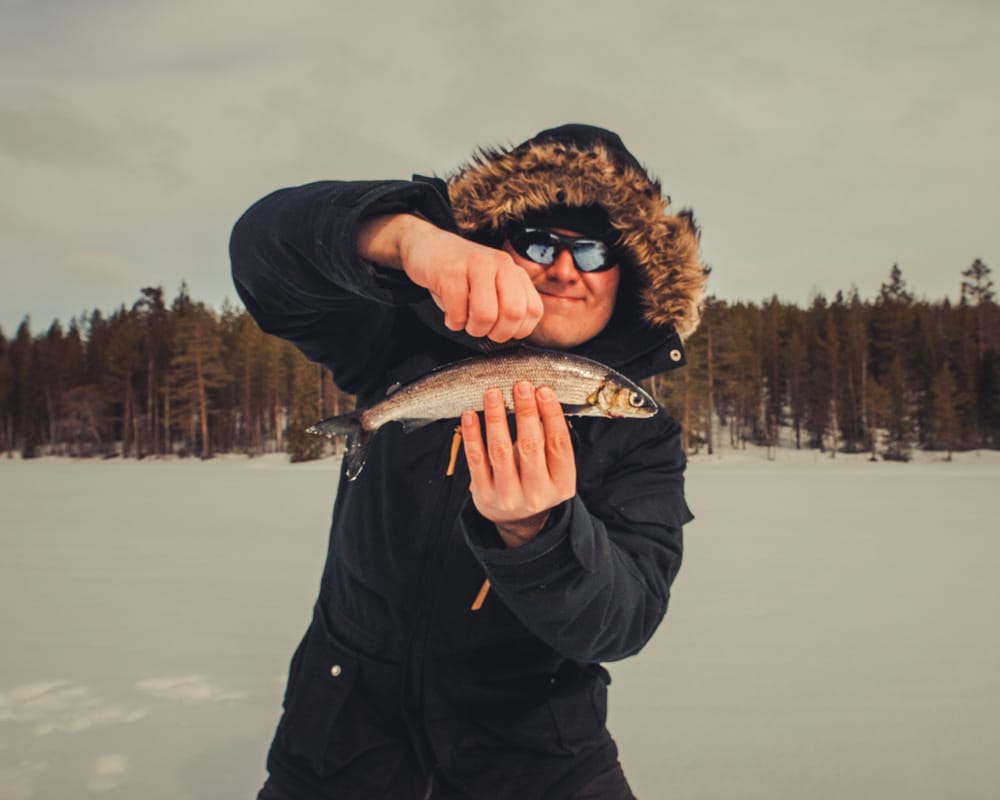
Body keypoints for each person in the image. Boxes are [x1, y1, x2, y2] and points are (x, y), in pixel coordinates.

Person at [229, 123, 708, 800]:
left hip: (538, 762)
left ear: (627, 271)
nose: (564, 269)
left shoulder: (642, 437)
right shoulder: (401, 340)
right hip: (341, 749)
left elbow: (624, 622)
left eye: (595, 251)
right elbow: (259, 253)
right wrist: (406, 240)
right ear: (499, 249)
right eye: (538, 243)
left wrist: (538, 536)